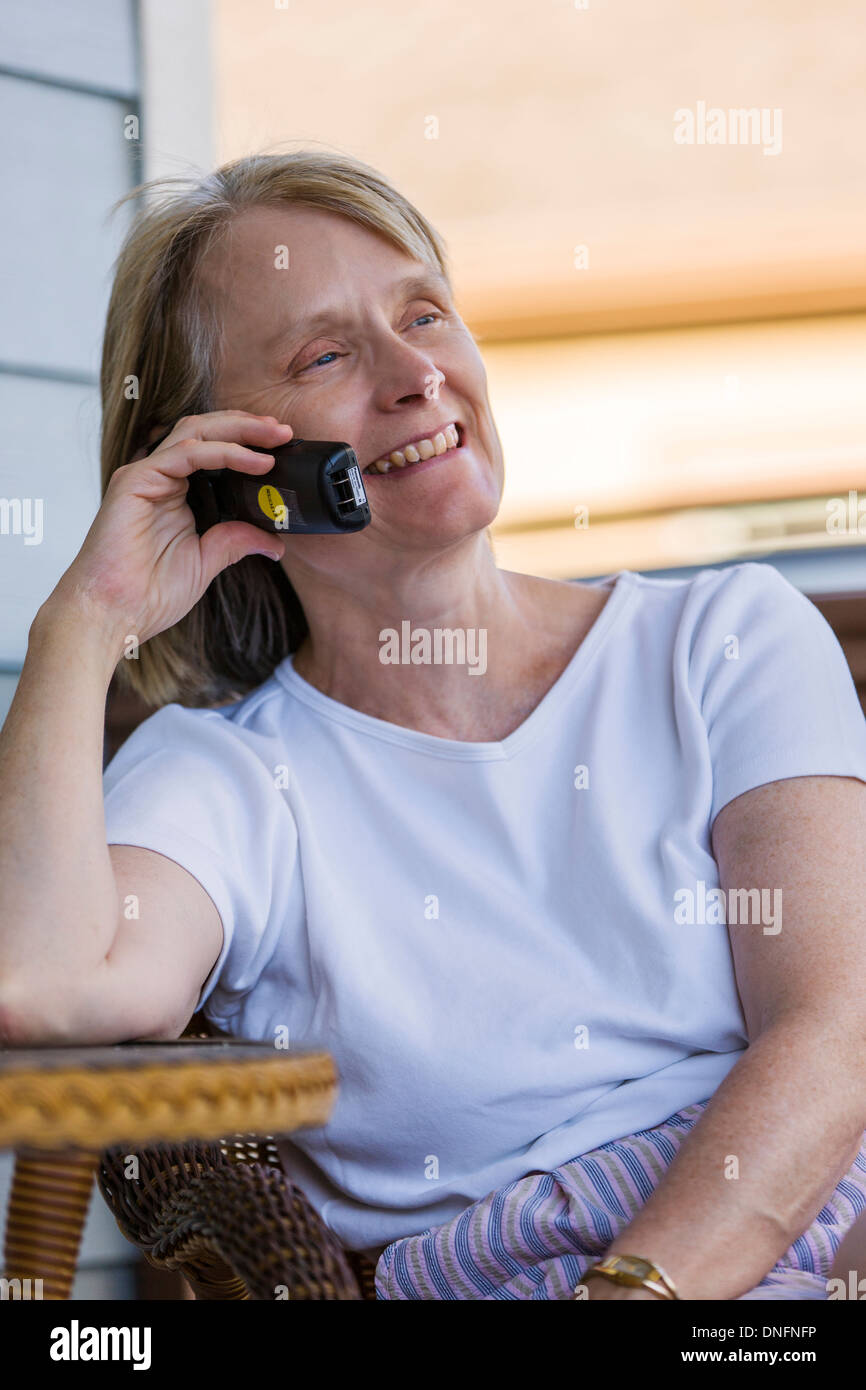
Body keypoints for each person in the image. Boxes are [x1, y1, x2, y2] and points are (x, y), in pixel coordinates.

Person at [1, 150, 864, 1302]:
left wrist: (638, 1293)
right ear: (227, 462)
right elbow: (40, 984)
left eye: (423, 313)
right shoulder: (228, 778)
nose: (417, 374)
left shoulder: (724, 641)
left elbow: (835, 1027)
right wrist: (83, 621)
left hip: (785, 1230)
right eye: (326, 355)